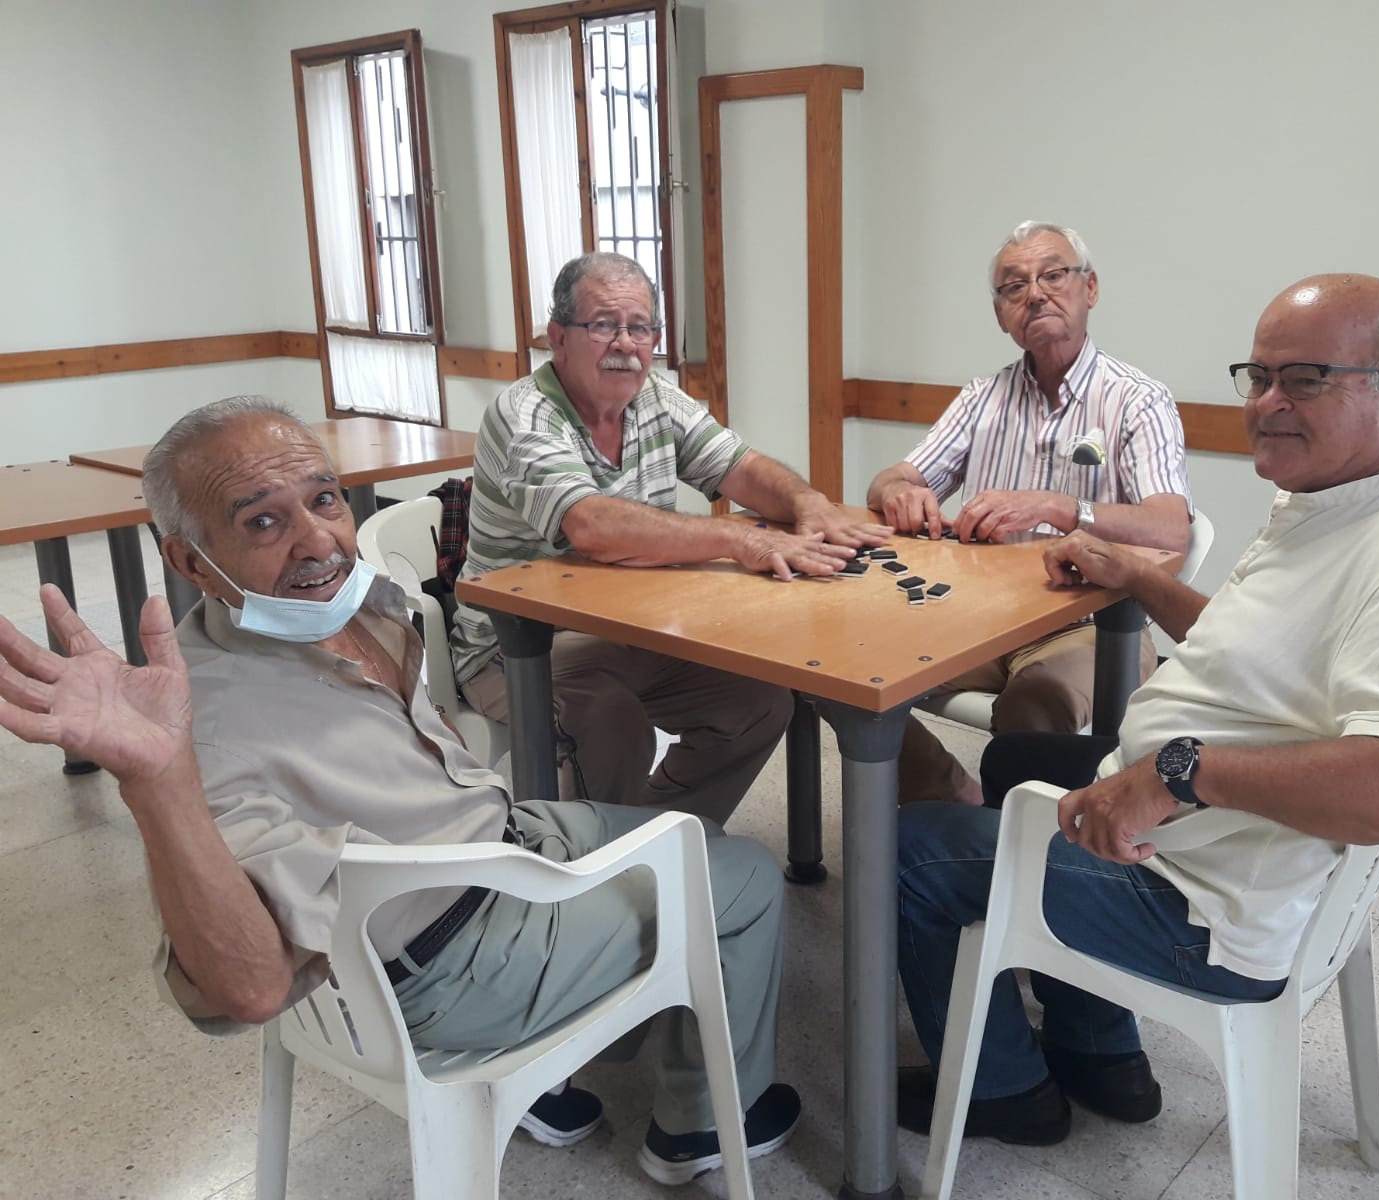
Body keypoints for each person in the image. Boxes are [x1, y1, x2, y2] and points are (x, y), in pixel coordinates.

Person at [0, 398, 800, 1186]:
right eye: (262, 522)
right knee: (749, 877)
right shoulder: (200, 723)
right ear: (187, 560)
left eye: (321, 500)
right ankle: (693, 1127)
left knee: (690, 833)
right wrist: (154, 784)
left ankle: (583, 1046)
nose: (318, 541)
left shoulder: (350, 606)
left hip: (498, 840)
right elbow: (247, 989)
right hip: (450, 952)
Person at [894, 275, 1379, 1145]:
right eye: (1258, 376)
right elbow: (1250, 651)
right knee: (1016, 764)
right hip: (1224, 846)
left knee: (903, 851)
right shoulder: (1337, 502)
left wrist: (1178, 774)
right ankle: (1098, 1053)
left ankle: (1003, 1094)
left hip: (1199, 900)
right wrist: (1142, 578)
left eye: (1305, 379)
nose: (1267, 404)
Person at [452, 251, 889, 822]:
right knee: (610, 723)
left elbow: (740, 466)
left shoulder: (655, 397)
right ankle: (603, 877)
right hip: (517, 646)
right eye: (604, 325)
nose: (626, 344)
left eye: (640, 328)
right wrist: (738, 541)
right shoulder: (524, 414)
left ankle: (656, 840)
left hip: (628, 629)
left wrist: (808, 502)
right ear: (558, 338)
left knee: (759, 701)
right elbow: (591, 525)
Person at [866, 221, 1191, 806]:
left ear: (1089, 289)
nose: (1034, 293)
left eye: (1053, 275)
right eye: (1014, 286)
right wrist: (897, 490)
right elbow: (895, 477)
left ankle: (1016, 860)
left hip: (1088, 623)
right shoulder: (980, 397)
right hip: (974, 614)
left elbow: (1171, 530)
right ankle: (954, 799)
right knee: (850, 676)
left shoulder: (1138, 398)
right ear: (1001, 314)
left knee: (1031, 709)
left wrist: (1061, 508)